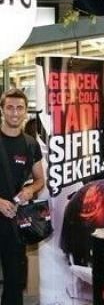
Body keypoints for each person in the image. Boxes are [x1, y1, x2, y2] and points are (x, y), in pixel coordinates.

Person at [0, 88, 44, 305]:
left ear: (26, 111)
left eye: (19, 108)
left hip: (14, 222)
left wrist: (31, 190)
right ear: (2, 110)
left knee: (14, 281)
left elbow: (40, 179)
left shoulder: (30, 144)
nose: (15, 113)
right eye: (10, 108)